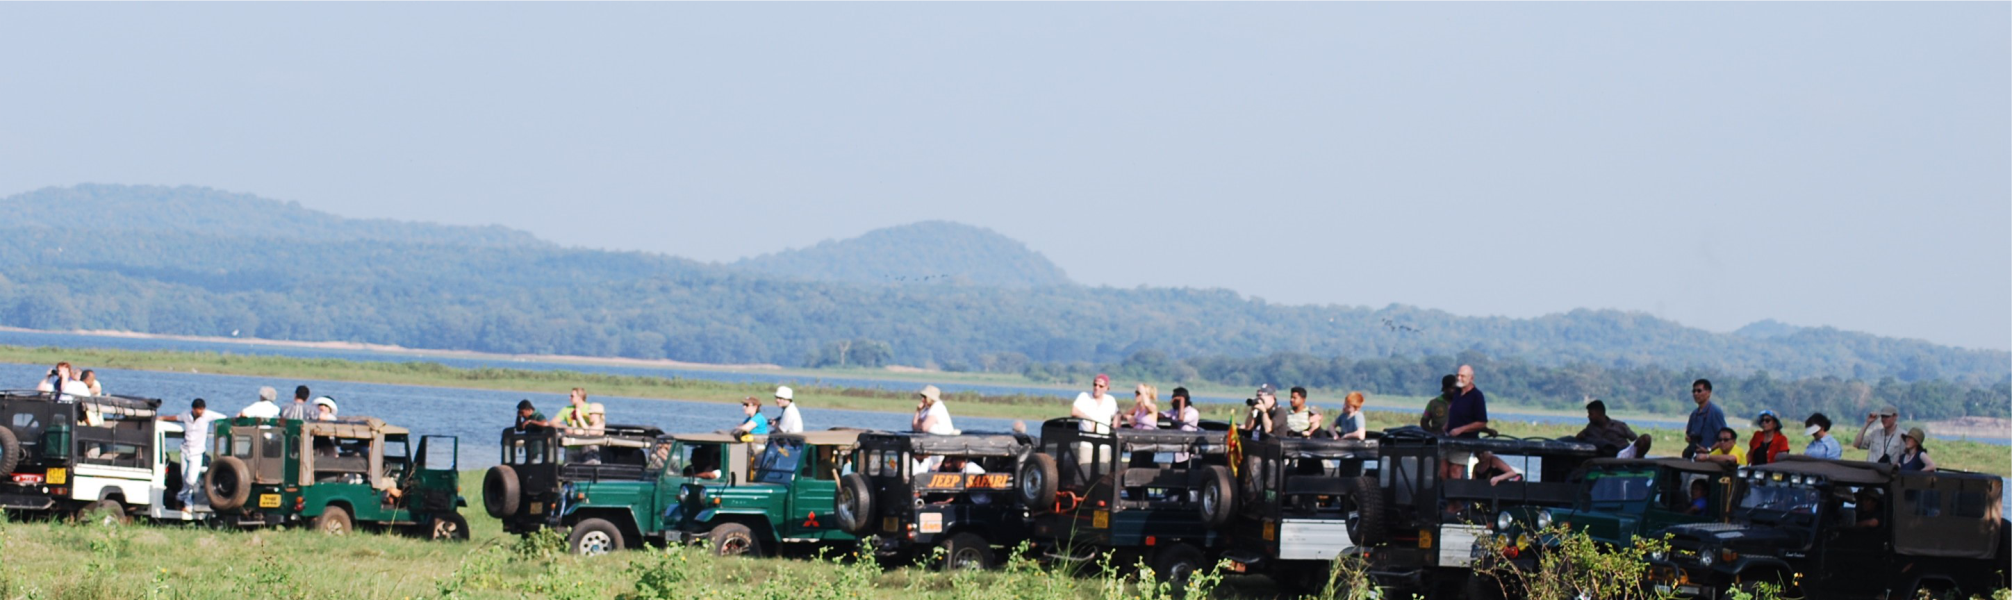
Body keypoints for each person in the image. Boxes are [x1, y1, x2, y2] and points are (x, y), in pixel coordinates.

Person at [166, 398, 225, 508]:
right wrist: (161, 418)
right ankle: (188, 504)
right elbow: (175, 418)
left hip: (197, 453)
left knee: (191, 480)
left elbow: (224, 418)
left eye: (202, 410)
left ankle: (180, 497)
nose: (200, 413)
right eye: (198, 411)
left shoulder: (208, 415)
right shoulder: (186, 415)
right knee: (184, 479)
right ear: (193, 409)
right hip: (185, 451)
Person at [1575, 399, 1639, 456]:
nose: (1588, 416)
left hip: (1622, 455)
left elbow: (1635, 439)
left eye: (1591, 414)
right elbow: (1579, 437)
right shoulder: (1590, 428)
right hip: (1604, 458)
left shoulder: (1619, 426)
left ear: (1600, 413)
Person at [1683, 379, 1728, 459]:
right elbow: (1689, 434)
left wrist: (1708, 450)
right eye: (1694, 391)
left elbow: (1725, 438)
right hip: (1695, 456)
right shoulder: (1694, 414)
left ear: (1708, 393)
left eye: (1699, 391)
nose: (1696, 394)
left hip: (1710, 458)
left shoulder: (1715, 412)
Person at [1447, 365, 1489, 438]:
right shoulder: (1457, 393)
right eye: (1458, 375)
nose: (1459, 378)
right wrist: (1446, 425)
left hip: (1467, 441)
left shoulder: (1477, 396)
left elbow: (1482, 423)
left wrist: (1460, 430)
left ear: (1471, 378)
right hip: (1451, 439)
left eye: (1462, 376)